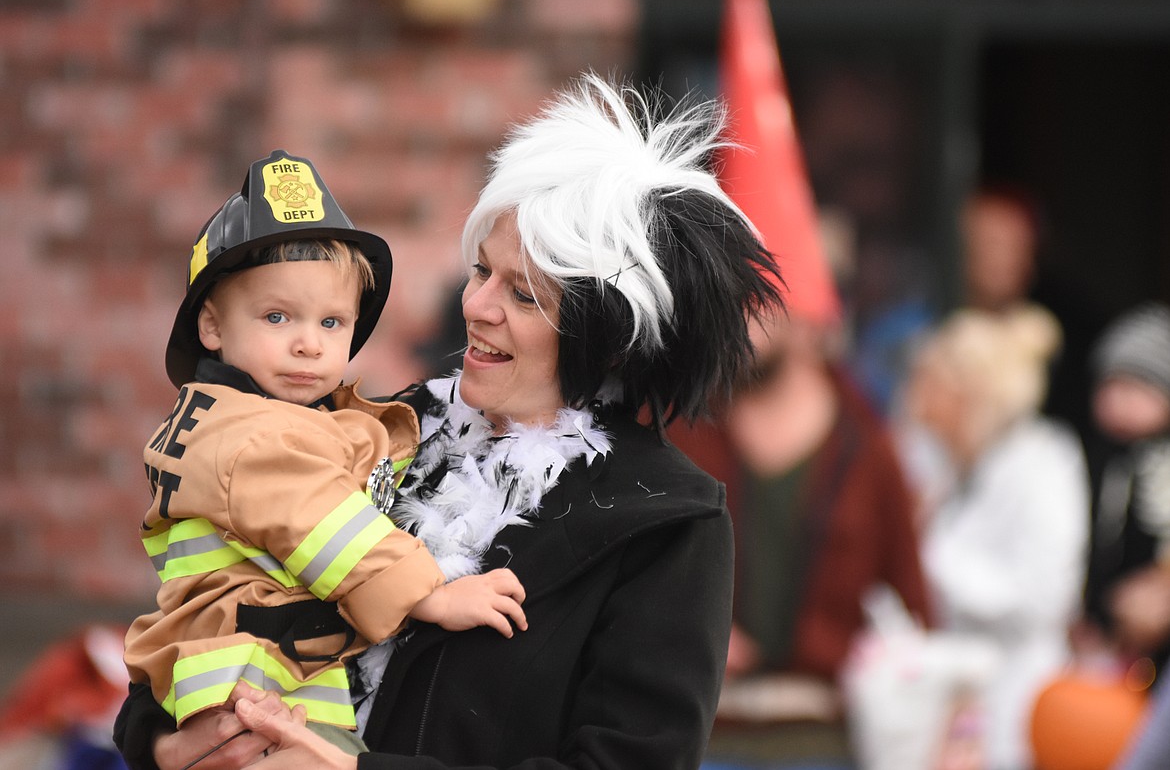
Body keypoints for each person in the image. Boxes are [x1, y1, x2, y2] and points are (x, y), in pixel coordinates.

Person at [113, 73, 785, 769]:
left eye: (522, 294)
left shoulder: (669, 523)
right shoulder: (393, 426)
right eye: (480, 270)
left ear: (605, 337)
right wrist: (164, 743)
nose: (477, 307)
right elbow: (198, 603)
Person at [122, 150, 527, 757]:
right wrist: (431, 594)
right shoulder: (255, 437)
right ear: (212, 327)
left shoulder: (230, 416)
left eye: (334, 323)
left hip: (223, 666)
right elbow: (325, 520)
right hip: (259, 675)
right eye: (277, 316)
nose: (309, 344)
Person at [670, 313, 932, 769]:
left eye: (753, 304)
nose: (734, 322)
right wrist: (692, 629)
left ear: (801, 315)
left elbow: (915, 609)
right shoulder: (683, 425)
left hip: (822, 734)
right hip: (701, 726)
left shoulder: (867, 450)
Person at [902, 304, 1090, 770]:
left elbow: (1043, 598)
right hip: (951, 718)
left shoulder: (1044, 463)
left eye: (932, 386)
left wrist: (923, 550)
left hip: (1017, 715)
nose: (918, 402)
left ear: (970, 395)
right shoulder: (951, 465)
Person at [1079, 302, 1170, 674]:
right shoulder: (1095, 462)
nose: (1119, 402)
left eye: (1134, 388)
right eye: (1110, 386)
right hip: (1105, 640)